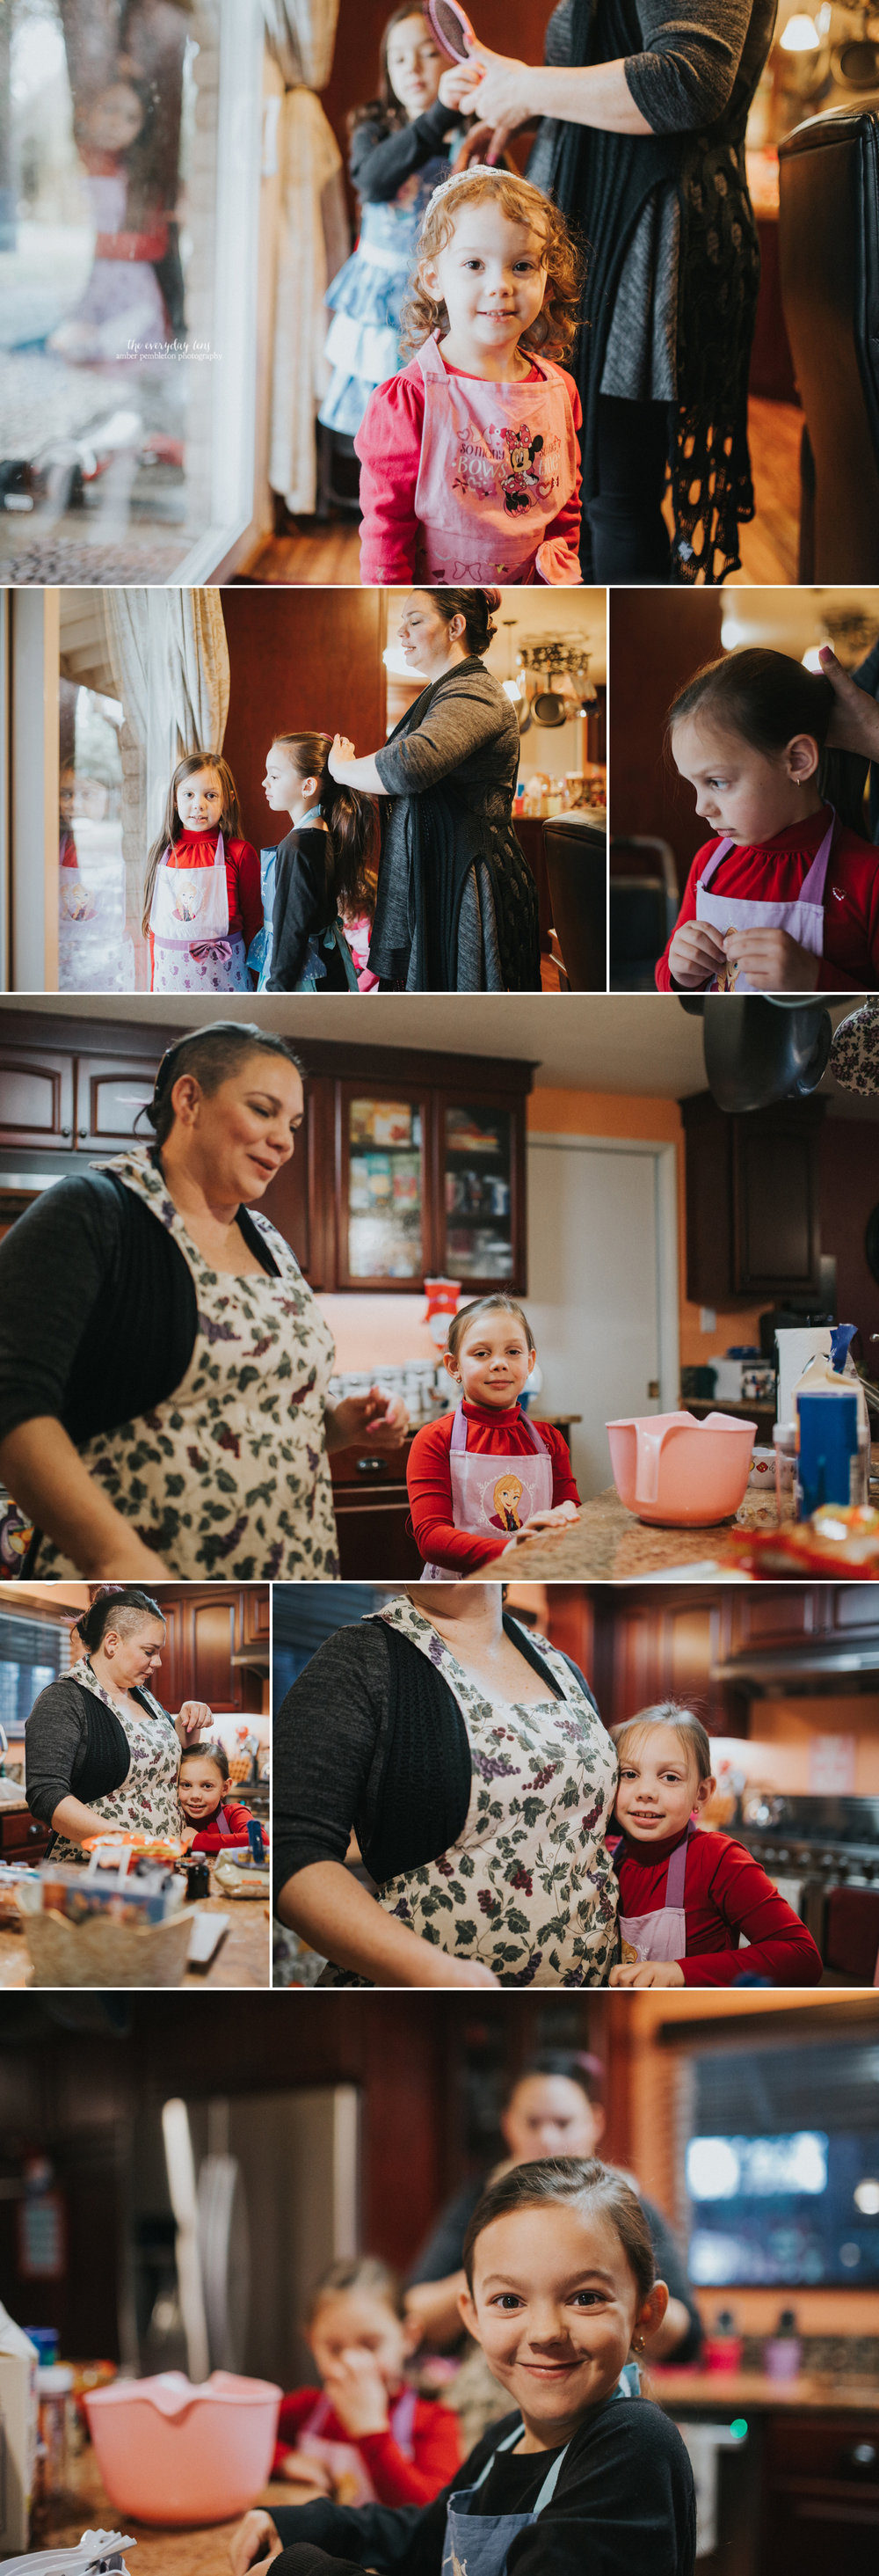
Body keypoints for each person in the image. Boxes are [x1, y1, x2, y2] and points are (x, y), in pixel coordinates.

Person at [0, 1022, 407, 1582]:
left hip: (289, 1570)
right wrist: (117, 1558)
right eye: (264, 1111)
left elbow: (269, 1417)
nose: (286, 1141)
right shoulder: (92, 1212)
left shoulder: (269, 1239)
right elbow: (13, 1400)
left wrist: (341, 1420)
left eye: (292, 1125)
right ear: (189, 1099)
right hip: (140, 1574)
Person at [229, 2158, 696, 2576]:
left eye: (586, 2298)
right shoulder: (508, 2436)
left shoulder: (633, 2445)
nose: (545, 2332)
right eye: (509, 2300)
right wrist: (306, 2523)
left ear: (646, 2312)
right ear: (471, 2316)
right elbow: (427, 2539)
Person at [439, 7, 775, 584]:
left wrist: (527, 86)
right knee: (588, 496)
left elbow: (686, 80)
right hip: (603, 242)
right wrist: (525, 106)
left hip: (641, 253)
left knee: (613, 499)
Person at [272, 1586, 619, 1989]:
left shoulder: (561, 1667)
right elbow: (292, 1849)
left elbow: (596, 1832)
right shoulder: (360, 1657)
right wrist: (439, 1974)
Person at [353, 165, 583, 586]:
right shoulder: (409, 399)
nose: (500, 285)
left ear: (548, 283)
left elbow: (564, 510)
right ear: (434, 278)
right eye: (475, 263)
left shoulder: (559, 392)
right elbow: (387, 529)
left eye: (522, 266)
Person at [404, 2051, 701, 2367]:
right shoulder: (476, 2201)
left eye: (563, 2122)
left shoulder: (630, 2206)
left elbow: (687, 2338)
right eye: (532, 2123)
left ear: (594, 2122)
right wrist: (497, 2264)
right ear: (508, 2125)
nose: (547, 2138)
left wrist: (619, 2281)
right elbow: (415, 2310)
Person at [327, 588, 541, 991]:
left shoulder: (476, 691)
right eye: (402, 621)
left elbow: (410, 766)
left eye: (415, 620)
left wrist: (341, 769)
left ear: (455, 626)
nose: (401, 632)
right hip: (443, 869)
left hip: (468, 879)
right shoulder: (441, 693)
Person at [657, 650, 879, 992]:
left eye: (717, 782)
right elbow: (671, 975)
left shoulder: (869, 876)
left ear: (798, 760)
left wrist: (814, 980)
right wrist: (678, 971)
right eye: (693, 784)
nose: (701, 808)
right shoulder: (708, 864)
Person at [607, 1705, 824, 1989]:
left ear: (702, 1793)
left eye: (670, 1777)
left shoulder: (718, 1859)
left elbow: (802, 1957)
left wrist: (680, 1973)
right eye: (629, 1774)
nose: (646, 1791)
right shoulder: (602, 1858)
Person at [319, 8, 460, 441]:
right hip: (382, 298)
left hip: (443, 295)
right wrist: (437, 116)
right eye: (399, 59)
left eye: (427, 54)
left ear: (454, 58)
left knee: (435, 416)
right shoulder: (374, 127)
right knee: (382, 419)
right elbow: (373, 181)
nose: (412, 69)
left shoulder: (472, 133)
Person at [24, 1587, 210, 1864]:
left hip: (156, 1867)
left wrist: (188, 1723)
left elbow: (163, 1766)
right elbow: (45, 1793)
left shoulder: (144, 1696)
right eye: (150, 1651)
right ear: (113, 1642)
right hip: (93, 1869)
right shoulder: (63, 1699)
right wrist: (123, 1840)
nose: (157, 1662)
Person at [407, 1295, 579, 1574]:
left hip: (529, 1577)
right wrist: (508, 1552)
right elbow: (431, 1538)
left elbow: (568, 1509)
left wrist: (568, 1514)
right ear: (454, 1367)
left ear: (530, 1361)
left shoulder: (549, 1440)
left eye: (513, 1352)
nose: (499, 1363)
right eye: (481, 1354)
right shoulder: (435, 1438)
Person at [272, 2258, 461, 2507]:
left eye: (370, 2345)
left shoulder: (435, 2422)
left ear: (408, 2336)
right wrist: (286, 2461)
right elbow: (239, 2439)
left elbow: (432, 2514)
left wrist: (370, 2431)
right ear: (311, 2343)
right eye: (334, 2349)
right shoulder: (307, 2409)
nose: (351, 2362)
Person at [257, 734, 373, 994]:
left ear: (308, 786)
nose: (265, 783)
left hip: (304, 973)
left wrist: (277, 989)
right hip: (329, 966)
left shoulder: (297, 846)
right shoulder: (324, 832)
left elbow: (292, 928)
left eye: (274, 776)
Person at [142, 755, 263, 996]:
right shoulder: (161, 854)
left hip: (228, 983)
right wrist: (154, 987)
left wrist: (258, 986)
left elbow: (254, 926)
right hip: (170, 986)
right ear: (175, 799)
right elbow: (155, 931)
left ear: (226, 801)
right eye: (188, 794)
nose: (198, 804)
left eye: (210, 795)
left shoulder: (240, 853)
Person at [177, 1741, 264, 1854]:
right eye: (186, 1785)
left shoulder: (234, 1813)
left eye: (207, 1786)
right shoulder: (176, 1816)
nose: (195, 1796)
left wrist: (196, 1840)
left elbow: (260, 1841)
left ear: (225, 1788)